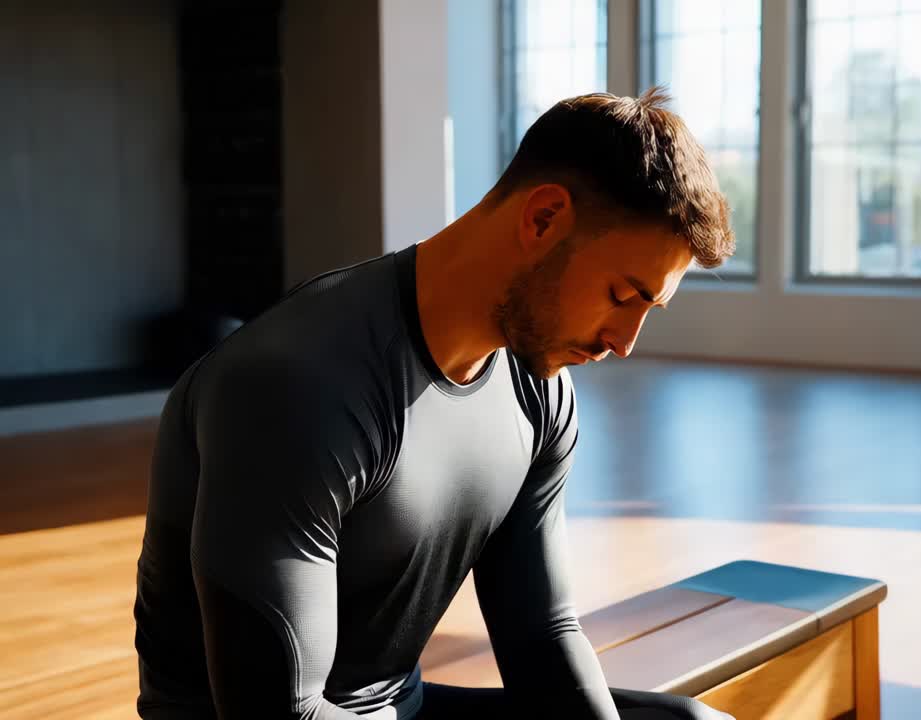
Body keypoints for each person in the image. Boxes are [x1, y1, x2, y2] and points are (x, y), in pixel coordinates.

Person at [132, 88, 737, 719]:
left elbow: (542, 638)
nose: (624, 342)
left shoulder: (538, 393)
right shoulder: (296, 385)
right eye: (622, 294)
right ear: (543, 219)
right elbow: (279, 714)